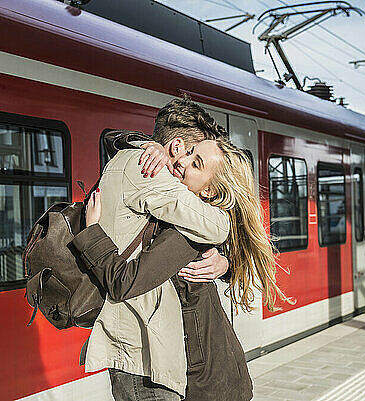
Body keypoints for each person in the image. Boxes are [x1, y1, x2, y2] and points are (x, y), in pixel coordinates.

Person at [75, 134, 293, 400]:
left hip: (205, 379)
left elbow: (125, 283)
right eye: (189, 152)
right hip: (214, 369)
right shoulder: (185, 214)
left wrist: (91, 233)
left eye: (196, 164)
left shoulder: (190, 230)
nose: (181, 161)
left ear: (210, 190)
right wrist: (145, 143)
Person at [76, 98, 232, 401]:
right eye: (193, 156)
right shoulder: (144, 167)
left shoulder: (135, 160)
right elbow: (217, 225)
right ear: (175, 147)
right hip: (144, 354)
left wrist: (224, 262)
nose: (185, 166)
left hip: (151, 350)